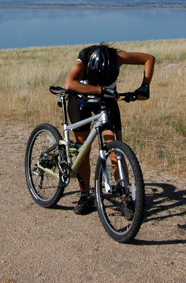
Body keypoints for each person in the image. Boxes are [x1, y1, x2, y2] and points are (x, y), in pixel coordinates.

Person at [64, 43, 155, 215]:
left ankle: (126, 197)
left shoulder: (117, 57)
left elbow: (148, 59)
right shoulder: (82, 62)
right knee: (83, 150)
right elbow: (69, 84)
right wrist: (101, 90)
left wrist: (145, 85)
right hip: (80, 102)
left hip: (106, 102)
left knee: (115, 149)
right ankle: (85, 196)